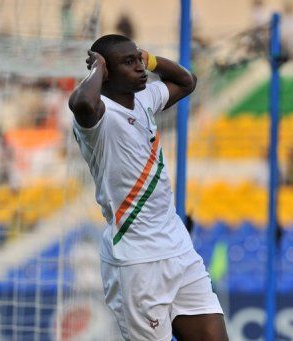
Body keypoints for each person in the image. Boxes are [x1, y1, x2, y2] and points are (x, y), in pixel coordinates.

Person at [68, 34, 228, 340]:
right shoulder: (99, 117)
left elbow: (187, 81)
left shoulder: (143, 99)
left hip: (177, 248)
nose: (140, 67)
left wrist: (150, 58)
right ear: (107, 74)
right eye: (128, 63)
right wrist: (97, 69)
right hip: (136, 260)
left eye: (138, 59)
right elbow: (82, 103)